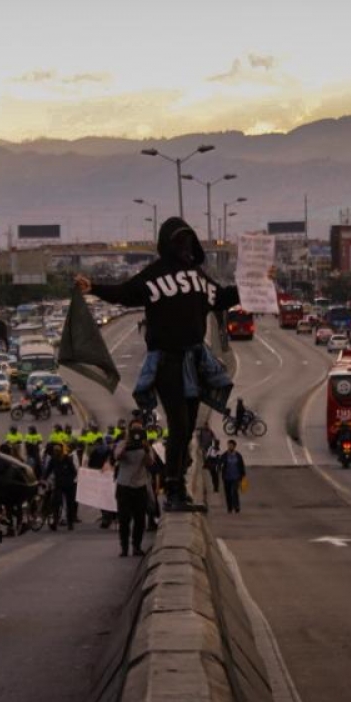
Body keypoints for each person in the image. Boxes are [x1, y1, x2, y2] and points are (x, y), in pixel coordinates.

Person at [75, 217, 240, 511]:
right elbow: (125, 294)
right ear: (167, 243)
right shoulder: (154, 276)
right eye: (180, 240)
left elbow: (224, 298)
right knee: (178, 425)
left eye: (188, 240)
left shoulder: (197, 276)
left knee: (187, 426)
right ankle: (174, 491)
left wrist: (257, 284)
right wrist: (94, 288)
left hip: (195, 359)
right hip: (167, 361)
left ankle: (179, 486)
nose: (185, 246)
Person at [112, 420, 156, 556]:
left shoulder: (146, 446)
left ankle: (136, 546)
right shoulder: (122, 443)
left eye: (139, 430)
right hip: (124, 486)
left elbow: (150, 463)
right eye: (134, 431)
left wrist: (146, 449)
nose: (136, 434)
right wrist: (127, 445)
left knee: (140, 519)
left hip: (140, 485)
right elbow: (117, 457)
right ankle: (124, 547)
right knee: (124, 519)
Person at [44, 442, 79, 531]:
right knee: (56, 503)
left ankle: (70, 523)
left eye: (57, 451)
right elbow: (48, 470)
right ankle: (55, 523)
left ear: (61, 451)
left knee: (69, 504)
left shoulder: (67, 459)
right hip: (58, 484)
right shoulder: (53, 460)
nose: (56, 452)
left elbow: (74, 472)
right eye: (55, 451)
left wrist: (69, 479)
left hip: (69, 485)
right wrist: (43, 479)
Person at [219, 439, 247, 513]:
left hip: (236, 477)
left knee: (234, 492)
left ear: (234, 446)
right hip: (227, 477)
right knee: (228, 493)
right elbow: (219, 463)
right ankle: (229, 507)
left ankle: (236, 506)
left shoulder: (238, 455)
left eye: (231, 445)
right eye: (229, 445)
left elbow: (241, 466)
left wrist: (243, 476)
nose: (230, 447)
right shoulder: (224, 455)